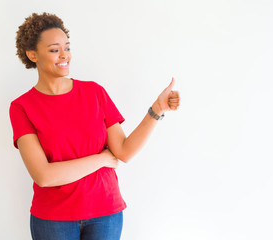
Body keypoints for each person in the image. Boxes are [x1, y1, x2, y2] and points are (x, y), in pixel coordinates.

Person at [9, 12, 180, 240]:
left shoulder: (94, 93)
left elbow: (124, 152)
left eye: (67, 47)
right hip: (53, 220)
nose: (64, 55)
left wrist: (156, 110)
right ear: (32, 55)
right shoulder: (22, 107)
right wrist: (101, 159)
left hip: (106, 213)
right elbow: (44, 176)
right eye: (54, 49)